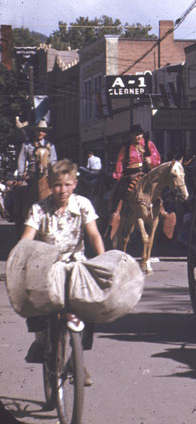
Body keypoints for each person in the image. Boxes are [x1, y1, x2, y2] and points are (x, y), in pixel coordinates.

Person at [20, 159, 105, 377]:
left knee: (89, 304)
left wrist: (103, 259)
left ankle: (78, 358)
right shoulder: (39, 209)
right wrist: (21, 257)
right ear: (50, 184)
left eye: (67, 185)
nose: (62, 190)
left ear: (75, 184)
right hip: (46, 266)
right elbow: (28, 237)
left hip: (76, 264)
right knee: (35, 301)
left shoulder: (83, 205)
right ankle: (40, 340)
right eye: (57, 185)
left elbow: (93, 234)